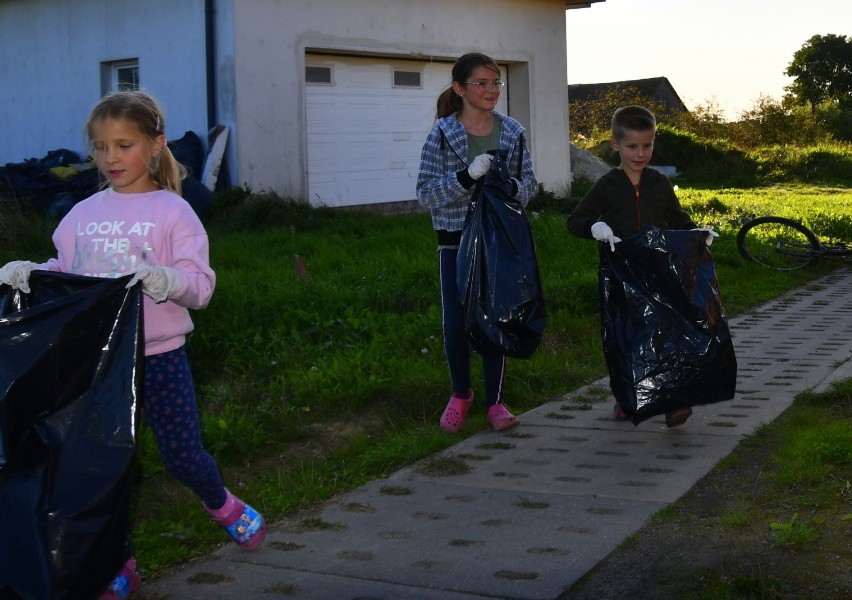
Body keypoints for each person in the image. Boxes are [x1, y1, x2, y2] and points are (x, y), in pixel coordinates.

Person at [0, 91, 266, 598]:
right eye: (101, 147)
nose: (111, 158)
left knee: (182, 457)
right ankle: (117, 565)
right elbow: (66, 273)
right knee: (102, 472)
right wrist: (31, 275)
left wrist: (165, 279)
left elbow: (201, 286)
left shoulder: (174, 213)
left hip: (159, 357)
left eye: (124, 145)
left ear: (155, 144)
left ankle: (223, 504)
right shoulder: (81, 213)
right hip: (95, 368)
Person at [566, 105, 717, 428]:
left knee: (666, 335)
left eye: (646, 145)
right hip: (620, 274)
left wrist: (696, 234)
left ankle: (674, 402)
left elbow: (678, 220)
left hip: (658, 272)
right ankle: (625, 397)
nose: (640, 153)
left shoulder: (659, 183)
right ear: (615, 145)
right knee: (625, 338)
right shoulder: (607, 185)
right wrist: (595, 228)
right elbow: (575, 220)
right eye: (632, 146)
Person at [416, 52, 538, 433]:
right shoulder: (441, 134)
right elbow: (425, 193)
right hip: (453, 242)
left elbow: (530, 184)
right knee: (455, 325)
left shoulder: (512, 131)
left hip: (497, 242)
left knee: (493, 321)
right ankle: (460, 393)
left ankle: (495, 402)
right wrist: (466, 178)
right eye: (481, 83)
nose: (491, 90)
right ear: (459, 88)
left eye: (496, 83)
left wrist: (512, 187)